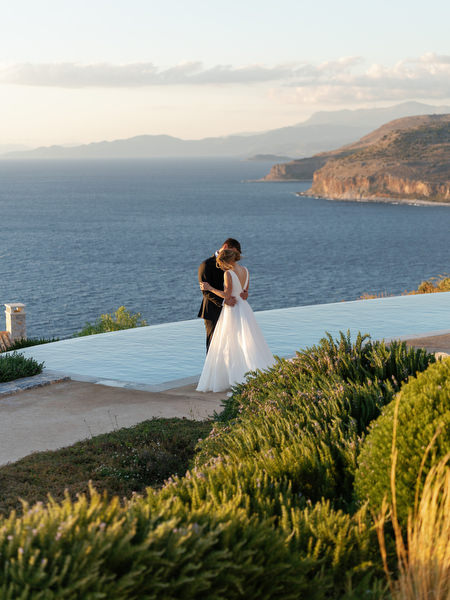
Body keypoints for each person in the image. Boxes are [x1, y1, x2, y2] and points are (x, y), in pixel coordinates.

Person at [196, 247, 275, 392]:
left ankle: (236, 376)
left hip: (233, 309)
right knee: (249, 341)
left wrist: (209, 288)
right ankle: (252, 372)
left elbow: (227, 295)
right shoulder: (246, 270)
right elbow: (244, 293)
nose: (221, 266)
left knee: (230, 343)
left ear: (226, 261)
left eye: (221, 263)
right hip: (245, 308)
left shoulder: (228, 273)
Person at [198, 238, 247, 352]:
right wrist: (224, 301)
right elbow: (205, 291)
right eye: (233, 252)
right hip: (213, 310)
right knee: (214, 345)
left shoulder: (232, 265)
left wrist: (244, 292)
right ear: (225, 247)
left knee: (231, 343)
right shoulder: (206, 265)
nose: (234, 257)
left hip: (232, 309)